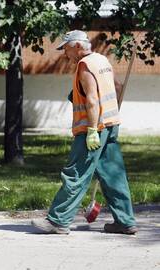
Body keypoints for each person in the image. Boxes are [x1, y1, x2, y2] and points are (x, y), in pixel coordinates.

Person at [31, 30, 137, 235]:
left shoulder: (85, 65)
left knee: (76, 173)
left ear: (78, 46)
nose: (65, 54)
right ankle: (125, 221)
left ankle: (58, 220)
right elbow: (115, 88)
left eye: (66, 49)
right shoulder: (102, 60)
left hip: (93, 128)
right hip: (110, 124)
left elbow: (91, 99)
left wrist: (91, 131)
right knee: (113, 175)